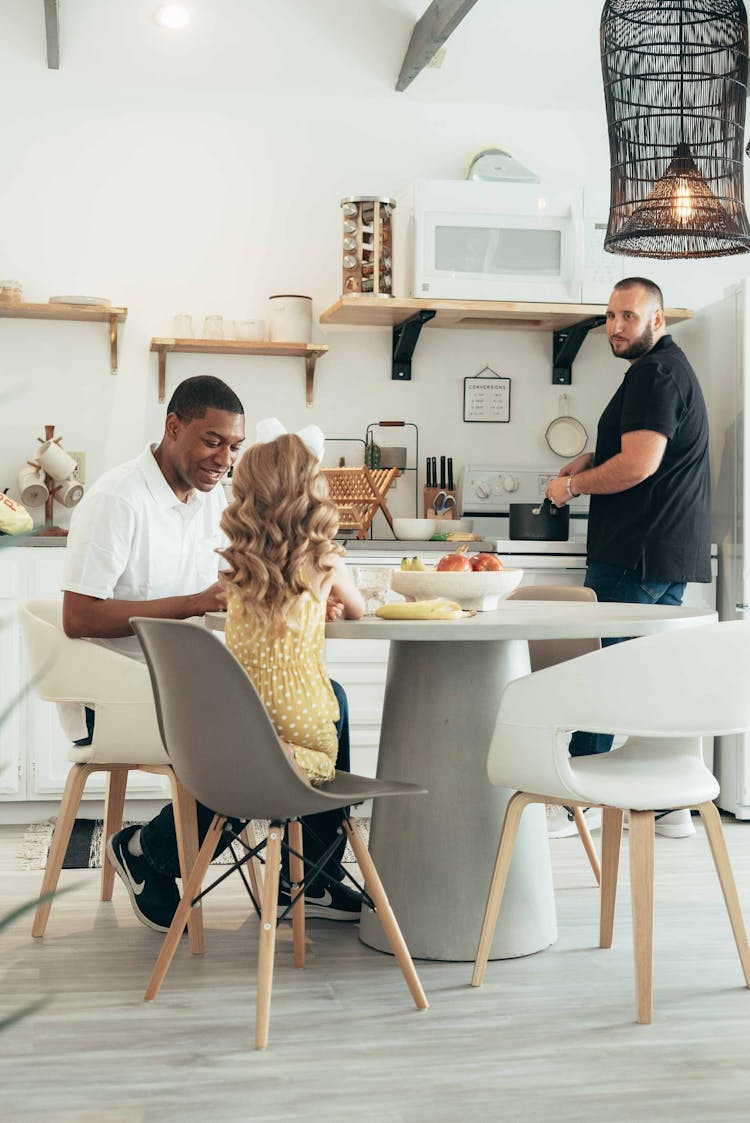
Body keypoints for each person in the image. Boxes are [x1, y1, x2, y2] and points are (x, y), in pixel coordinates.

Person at [60, 377, 358, 931]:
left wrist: (305, 603)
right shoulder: (116, 498)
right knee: (269, 728)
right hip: (121, 690)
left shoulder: (212, 499)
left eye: (234, 447)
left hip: (194, 680)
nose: (224, 459)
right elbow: (78, 617)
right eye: (211, 441)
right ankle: (147, 851)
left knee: (327, 700)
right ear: (173, 427)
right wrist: (195, 602)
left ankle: (310, 874)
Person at [545, 277, 711, 840]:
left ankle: (576, 803)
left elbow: (639, 466)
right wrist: (593, 456)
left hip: (636, 552)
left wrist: (574, 487)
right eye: (611, 316)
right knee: (640, 678)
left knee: (597, 675)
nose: (616, 326)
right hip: (664, 551)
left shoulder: (654, 374)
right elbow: (649, 449)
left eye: (630, 317)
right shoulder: (664, 371)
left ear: (657, 320)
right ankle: (666, 804)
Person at [219, 419, 366, 912]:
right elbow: (360, 609)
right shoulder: (324, 561)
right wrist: (326, 603)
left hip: (239, 728)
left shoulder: (237, 568)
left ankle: (305, 873)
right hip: (304, 731)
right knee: (334, 712)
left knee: (328, 700)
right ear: (314, 492)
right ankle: (314, 876)